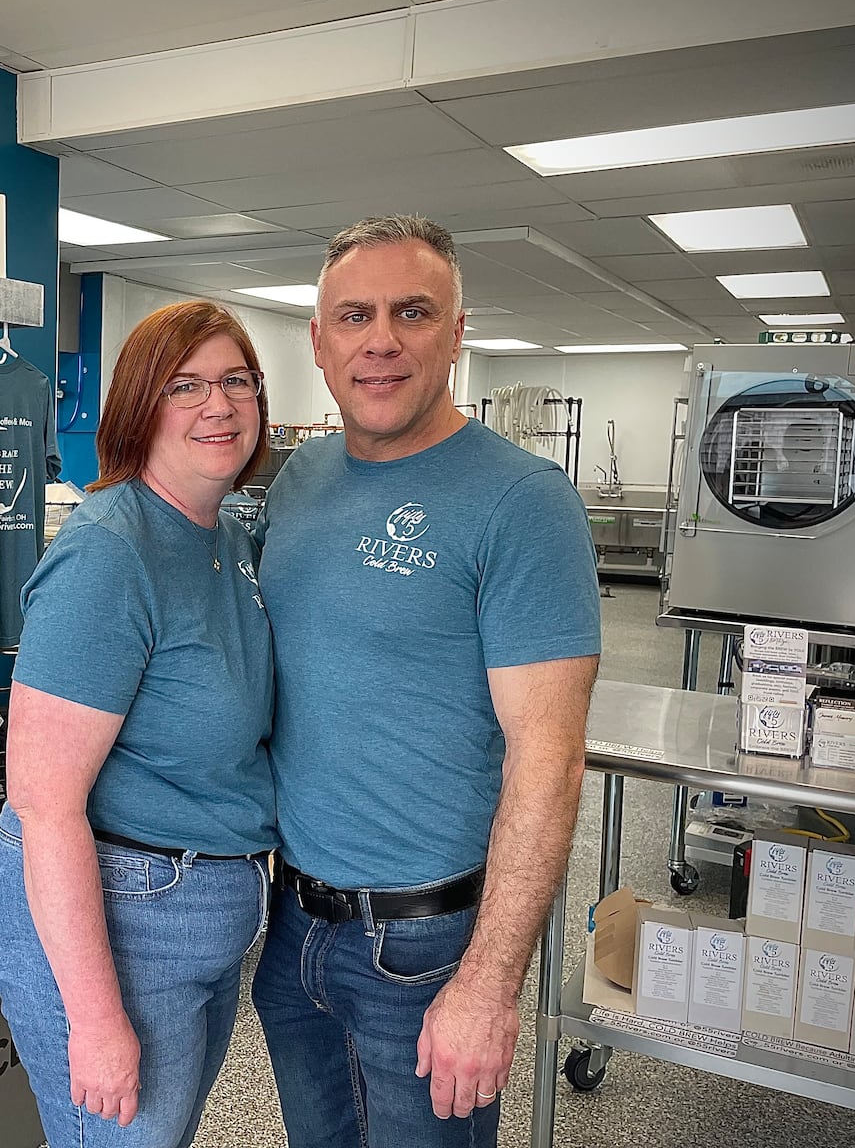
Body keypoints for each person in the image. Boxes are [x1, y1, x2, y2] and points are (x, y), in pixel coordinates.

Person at [252, 215, 601, 1148]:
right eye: (353, 316)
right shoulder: (300, 481)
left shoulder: (523, 503)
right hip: (293, 931)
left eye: (413, 312)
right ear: (318, 344)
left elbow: (550, 759)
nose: (382, 340)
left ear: (457, 332)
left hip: (429, 946)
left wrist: (487, 985)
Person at [0, 300, 277, 1148]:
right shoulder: (112, 550)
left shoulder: (221, 536)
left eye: (235, 381)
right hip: (120, 924)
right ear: (140, 404)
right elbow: (44, 803)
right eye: (186, 385)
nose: (218, 405)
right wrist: (97, 1023)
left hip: (200, 920)